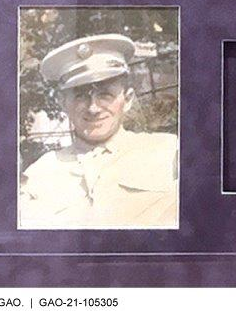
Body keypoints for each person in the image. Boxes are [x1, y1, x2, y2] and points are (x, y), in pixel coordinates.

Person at [19, 34, 178, 229]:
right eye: (80, 96)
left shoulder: (169, 152)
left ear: (127, 100)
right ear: (63, 103)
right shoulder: (39, 175)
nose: (93, 108)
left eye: (105, 95)